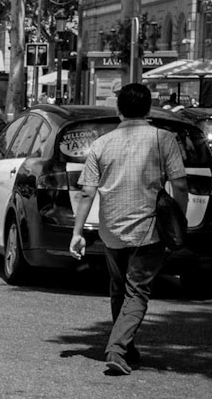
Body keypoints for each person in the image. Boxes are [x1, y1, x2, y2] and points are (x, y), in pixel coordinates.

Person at [69, 81, 188, 376]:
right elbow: (180, 184)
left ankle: (127, 347)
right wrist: (179, 219)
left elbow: (87, 192)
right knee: (137, 291)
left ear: (118, 109)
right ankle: (117, 349)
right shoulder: (163, 139)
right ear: (148, 109)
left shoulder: (101, 144)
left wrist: (77, 232)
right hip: (149, 229)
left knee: (119, 287)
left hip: (112, 229)